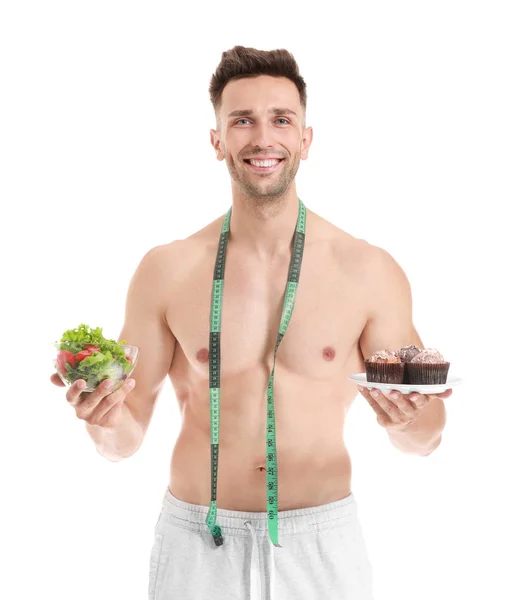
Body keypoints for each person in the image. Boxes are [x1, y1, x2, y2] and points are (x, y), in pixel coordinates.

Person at [51, 45, 452, 600]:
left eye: (281, 119)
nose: (263, 138)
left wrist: (406, 421)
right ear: (217, 141)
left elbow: (427, 441)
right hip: (198, 543)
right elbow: (122, 443)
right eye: (242, 120)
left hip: (320, 546)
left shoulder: (368, 270)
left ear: (305, 140)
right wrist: (101, 417)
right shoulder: (167, 269)